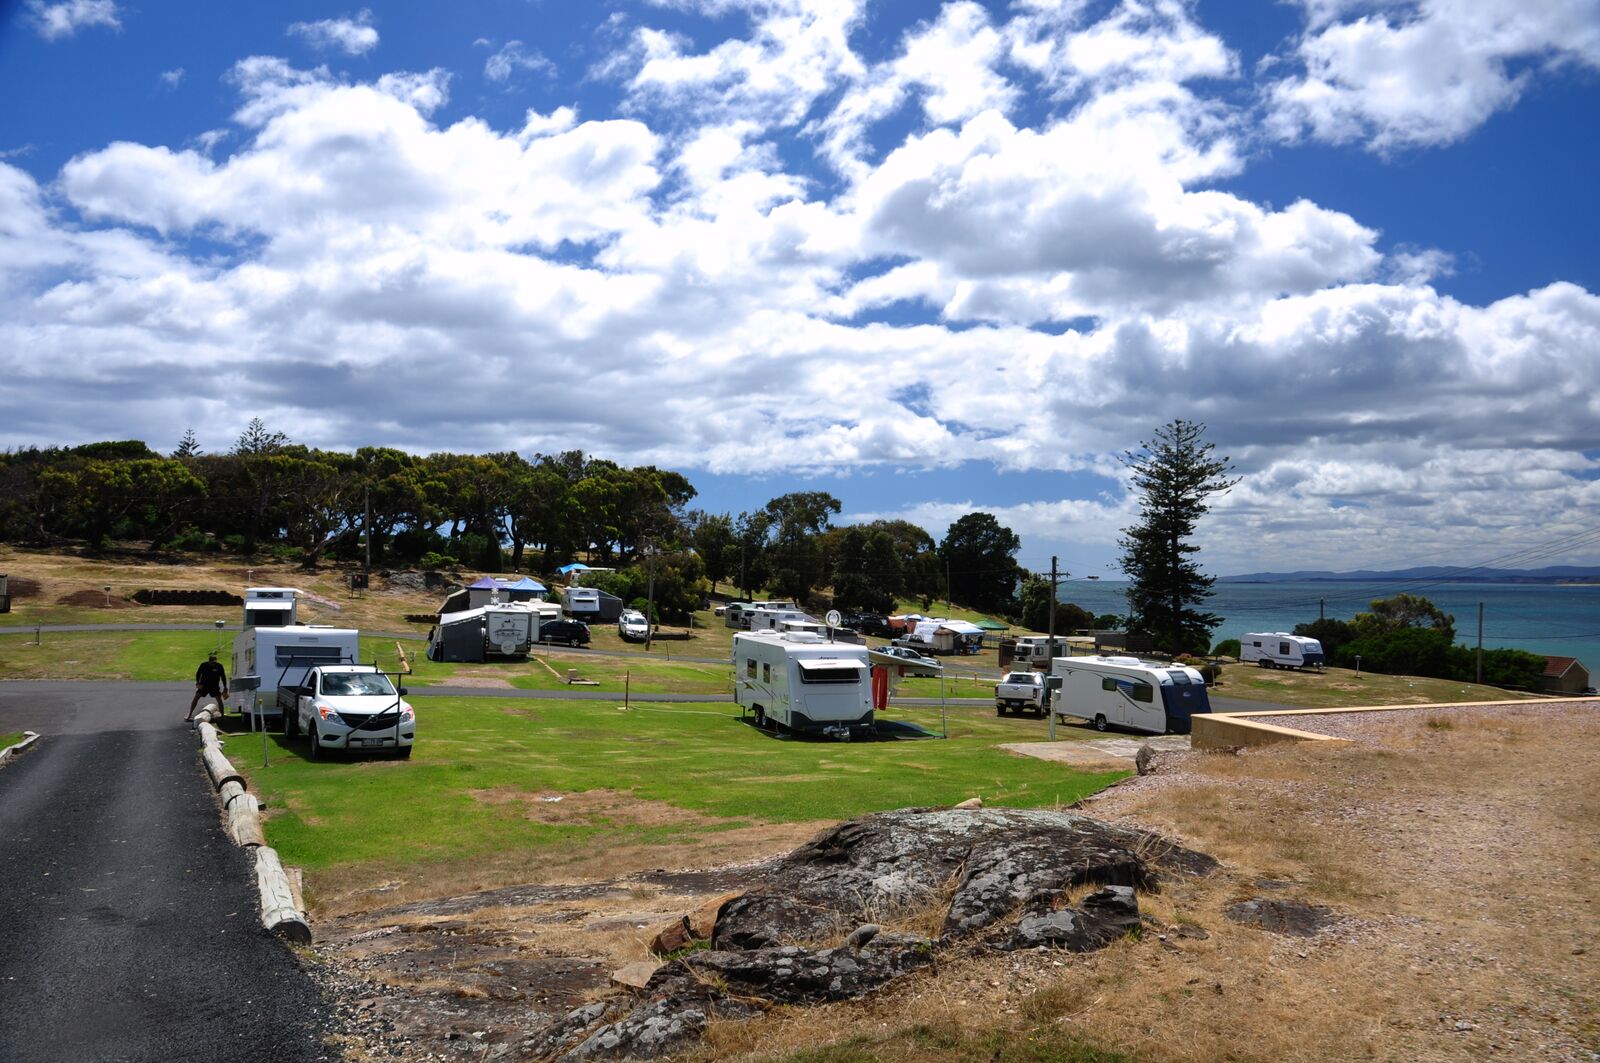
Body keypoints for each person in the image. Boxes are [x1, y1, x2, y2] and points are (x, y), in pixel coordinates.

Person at [187, 651, 228, 721]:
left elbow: (223, 677)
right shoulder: (203, 665)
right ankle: (189, 714)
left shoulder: (219, 666)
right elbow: (198, 674)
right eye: (212, 663)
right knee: (196, 698)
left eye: (215, 662)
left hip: (214, 686)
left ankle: (222, 715)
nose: (213, 664)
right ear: (209, 661)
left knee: (219, 700)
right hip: (204, 686)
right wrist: (198, 682)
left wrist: (225, 687)